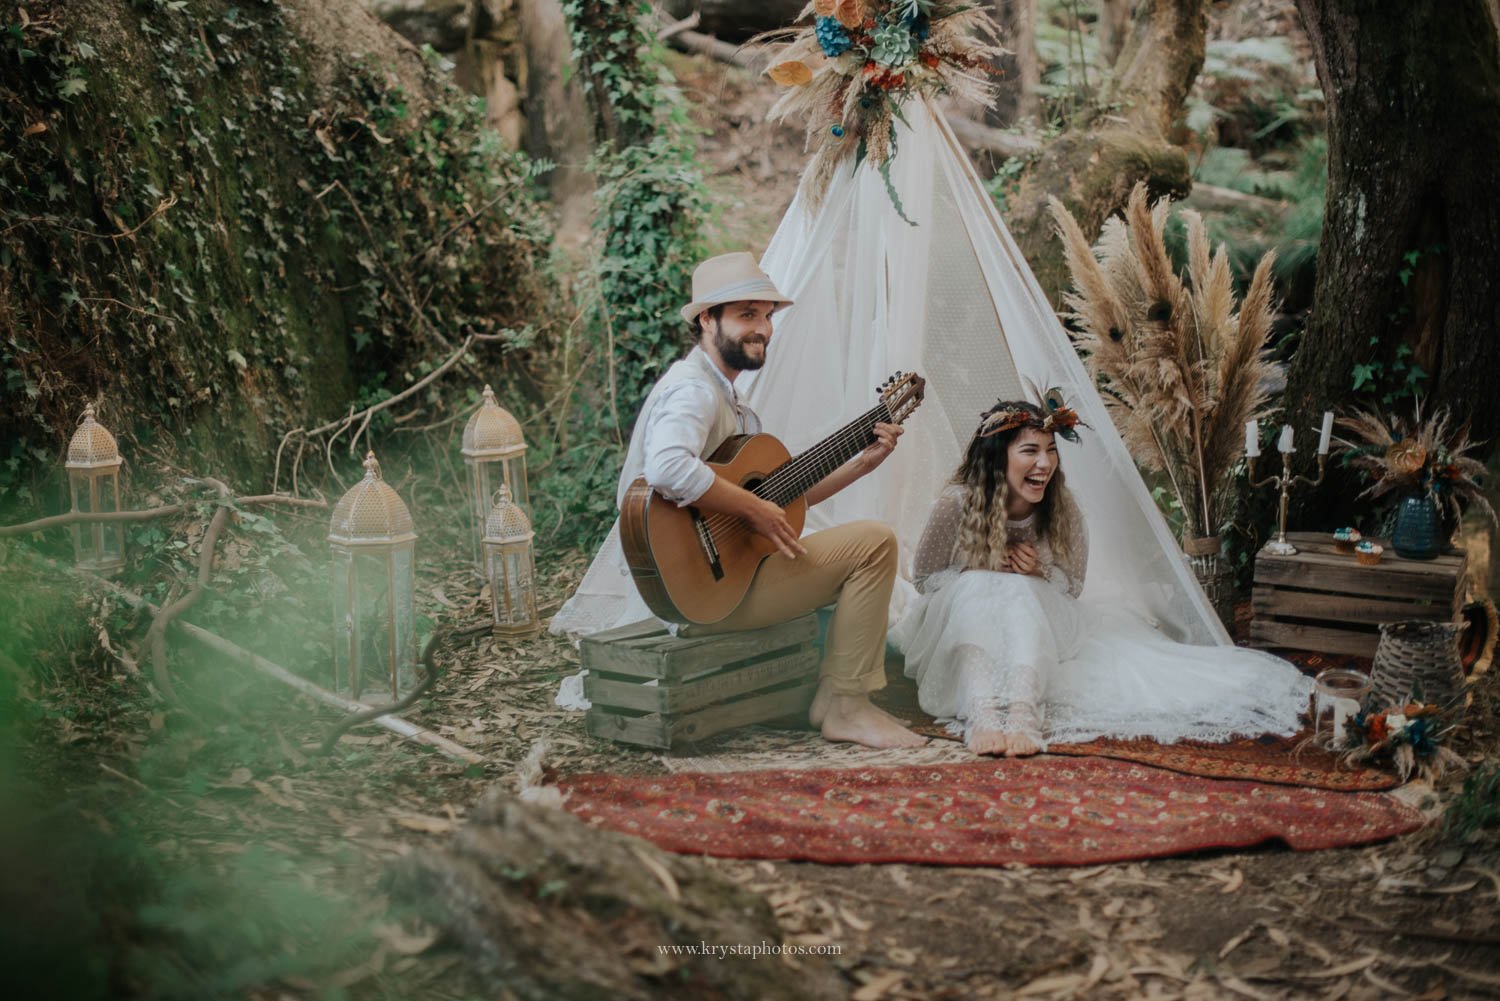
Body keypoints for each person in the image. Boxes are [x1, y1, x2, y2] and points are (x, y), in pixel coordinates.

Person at [613, 251, 926, 750]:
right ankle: (846, 704)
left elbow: (783, 497)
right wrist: (752, 508)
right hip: (704, 592)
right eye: (745, 315)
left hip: (726, 579)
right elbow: (667, 466)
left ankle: (836, 698)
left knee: (867, 541)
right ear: (706, 319)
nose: (761, 329)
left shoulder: (731, 402)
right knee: (875, 544)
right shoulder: (693, 391)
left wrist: (862, 463)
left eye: (765, 315)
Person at [891, 399, 1313, 757]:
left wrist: (1036, 570)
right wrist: (979, 567)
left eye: (1051, 450)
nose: (1045, 464)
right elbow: (925, 578)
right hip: (965, 610)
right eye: (1030, 451)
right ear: (997, 456)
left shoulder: (1063, 508)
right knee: (980, 584)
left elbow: (1072, 586)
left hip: (1039, 613)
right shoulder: (957, 504)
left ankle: (1022, 711)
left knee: (1019, 589)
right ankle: (981, 710)